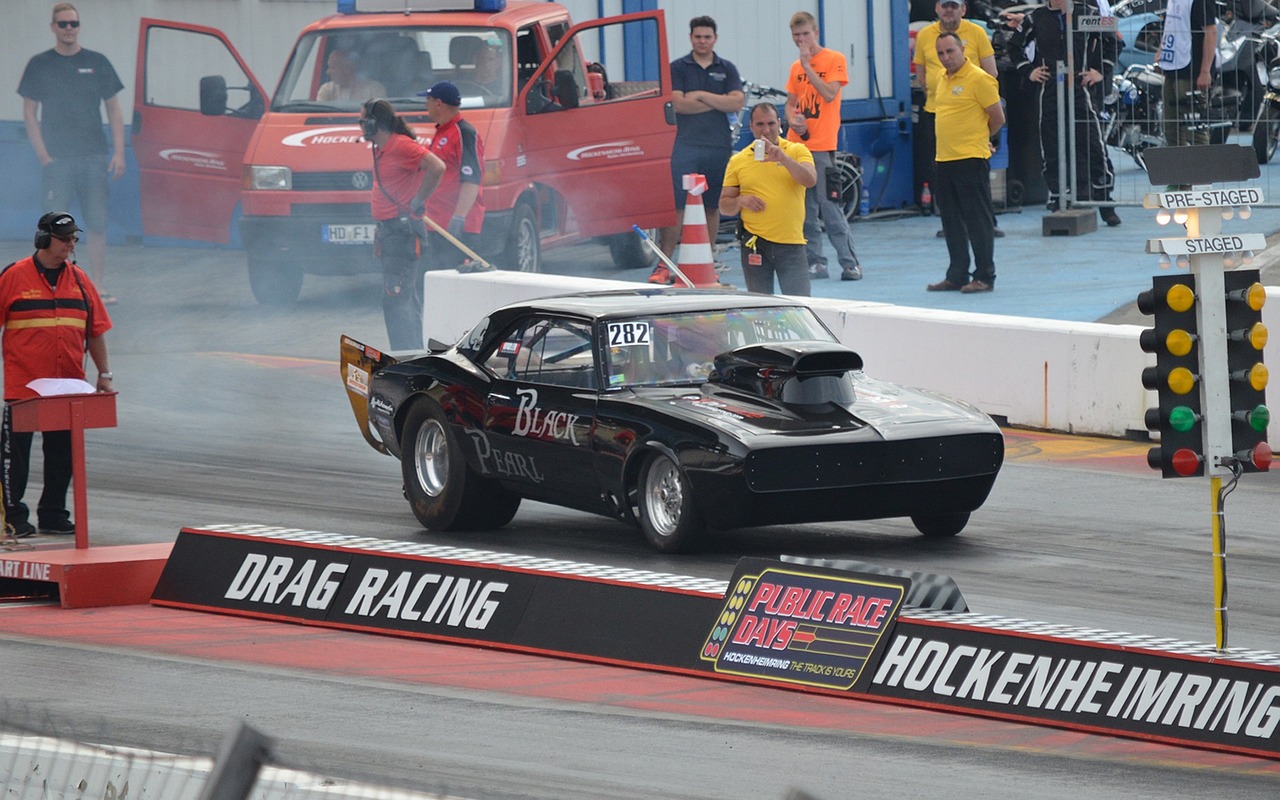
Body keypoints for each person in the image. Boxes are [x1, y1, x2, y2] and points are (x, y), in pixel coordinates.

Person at [0, 212, 113, 538]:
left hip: (67, 386)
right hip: (24, 387)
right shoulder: (14, 276)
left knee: (63, 454)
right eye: (64, 239)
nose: (70, 245)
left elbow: (95, 331)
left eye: (74, 239)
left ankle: (52, 513)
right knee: (13, 458)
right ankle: (12, 517)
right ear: (43, 239)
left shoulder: (80, 280)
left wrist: (105, 373)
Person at [18, 3, 126, 305]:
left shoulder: (97, 62)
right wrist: (44, 157)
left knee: (97, 223)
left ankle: (98, 286)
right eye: (63, 24)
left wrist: (119, 152)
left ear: (79, 27)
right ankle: (50, 287)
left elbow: (114, 110)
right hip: (58, 161)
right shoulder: (40, 64)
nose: (69, 29)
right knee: (53, 226)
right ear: (53, 27)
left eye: (73, 24)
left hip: (93, 157)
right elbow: (29, 112)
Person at [1008, 0, 1122, 226]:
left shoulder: (1088, 13)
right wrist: (1029, 71)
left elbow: (1115, 41)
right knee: (1052, 146)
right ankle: (1059, 199)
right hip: (1050, 90)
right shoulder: (1036, 17)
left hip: (1081, 89)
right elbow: (1014, 46)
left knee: (1093, 145)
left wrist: (1100, 71)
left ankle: (1105, 202)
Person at [651, 16, 744, 283]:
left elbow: (736, 103)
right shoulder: (678, 68)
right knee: (678, 206)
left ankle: (707, 262)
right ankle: (664, 265)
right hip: (685, 146)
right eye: (698, 37)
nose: (702, 41)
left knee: (711, 206)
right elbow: (679, 105)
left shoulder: (727, 68)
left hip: (717, 146)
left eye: (707, 37)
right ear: (691, 38)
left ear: (715, 39)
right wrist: (718, 101)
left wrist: (700, 95)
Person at [913, 0, 1004, 239]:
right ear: (937, 8)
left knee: (977, 174)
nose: (949, 10)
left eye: (954, 6)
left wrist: (984, 107)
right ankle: (952, 223)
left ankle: (987, 223)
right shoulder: (925, 35)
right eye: (945, 5)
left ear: (963, 10)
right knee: (942, 172)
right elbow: (921, 73)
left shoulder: (977, 33)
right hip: (937, 113)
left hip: (972, 113)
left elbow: (991, 72)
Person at [360, 98, 445, 351]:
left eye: (363, 122)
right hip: (391, 234)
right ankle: (414, 355)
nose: (360, 127)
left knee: (396, 299)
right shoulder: (382, 149)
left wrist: (419, 200)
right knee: (405, 299)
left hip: (401, 233)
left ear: (374, 124)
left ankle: (405, 359)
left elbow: (437, 167)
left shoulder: (400, 146)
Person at [784, 11, 863, 282]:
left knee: (830, 206)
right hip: (798, 146)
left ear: (816, 33)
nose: (801, 40)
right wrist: (792, 120)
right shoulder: (795, 68)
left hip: (822, 145)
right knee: (804, 209)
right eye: (797, 35)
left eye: (806, 34)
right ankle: (815, 261)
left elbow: (830, 93)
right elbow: (791, 102)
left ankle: (850, 263)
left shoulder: (834, 59)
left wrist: (808, 66)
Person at [926, 33, 1005, 295]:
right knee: (951, 221)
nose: (946, 58)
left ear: (962, 49)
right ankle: (957, 274)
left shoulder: (979, 79)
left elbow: (997, 118)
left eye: (950, 51)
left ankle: (984, 275)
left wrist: (983, 138)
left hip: (971, 159)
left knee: (977, 220)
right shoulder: (940, 78)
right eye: (941, 53)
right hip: (944, 159)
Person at [719, 103, 817, 296]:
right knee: (759, 303)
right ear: (751, 126)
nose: (766, 130)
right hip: (755, 244)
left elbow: (810, 180)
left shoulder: (797, 151)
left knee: (800, 303)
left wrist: (784, 159)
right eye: (760, 124)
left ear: (779, 124)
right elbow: (724, 206)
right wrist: (740, 201)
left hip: (791, 243)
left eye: (771, 123)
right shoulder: (738, 161)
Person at [418, 81, 492, 274]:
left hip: (457, 229)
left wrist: (459, 218)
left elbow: (472, 180)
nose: (426, 105)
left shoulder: (464, 133)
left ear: (439, 103)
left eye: (428, 100)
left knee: (458, 283)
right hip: (437, 224)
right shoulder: (442, 131)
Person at [1158, 0, 1218, 147]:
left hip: (1192, 71)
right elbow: (1170, 26)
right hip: (1173, 68)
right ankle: (1179, 161)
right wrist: (1161, 52)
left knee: (1194, 131)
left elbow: (1211, 32)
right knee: (1170, 129)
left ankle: (1202, 162)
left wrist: (1205, 71)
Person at [317, 49, 386, 103]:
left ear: (346, 69)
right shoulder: (327, 89)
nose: (328, 72)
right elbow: (319, 114)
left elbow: (381, 114)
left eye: (332, 68)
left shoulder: (374, 89)